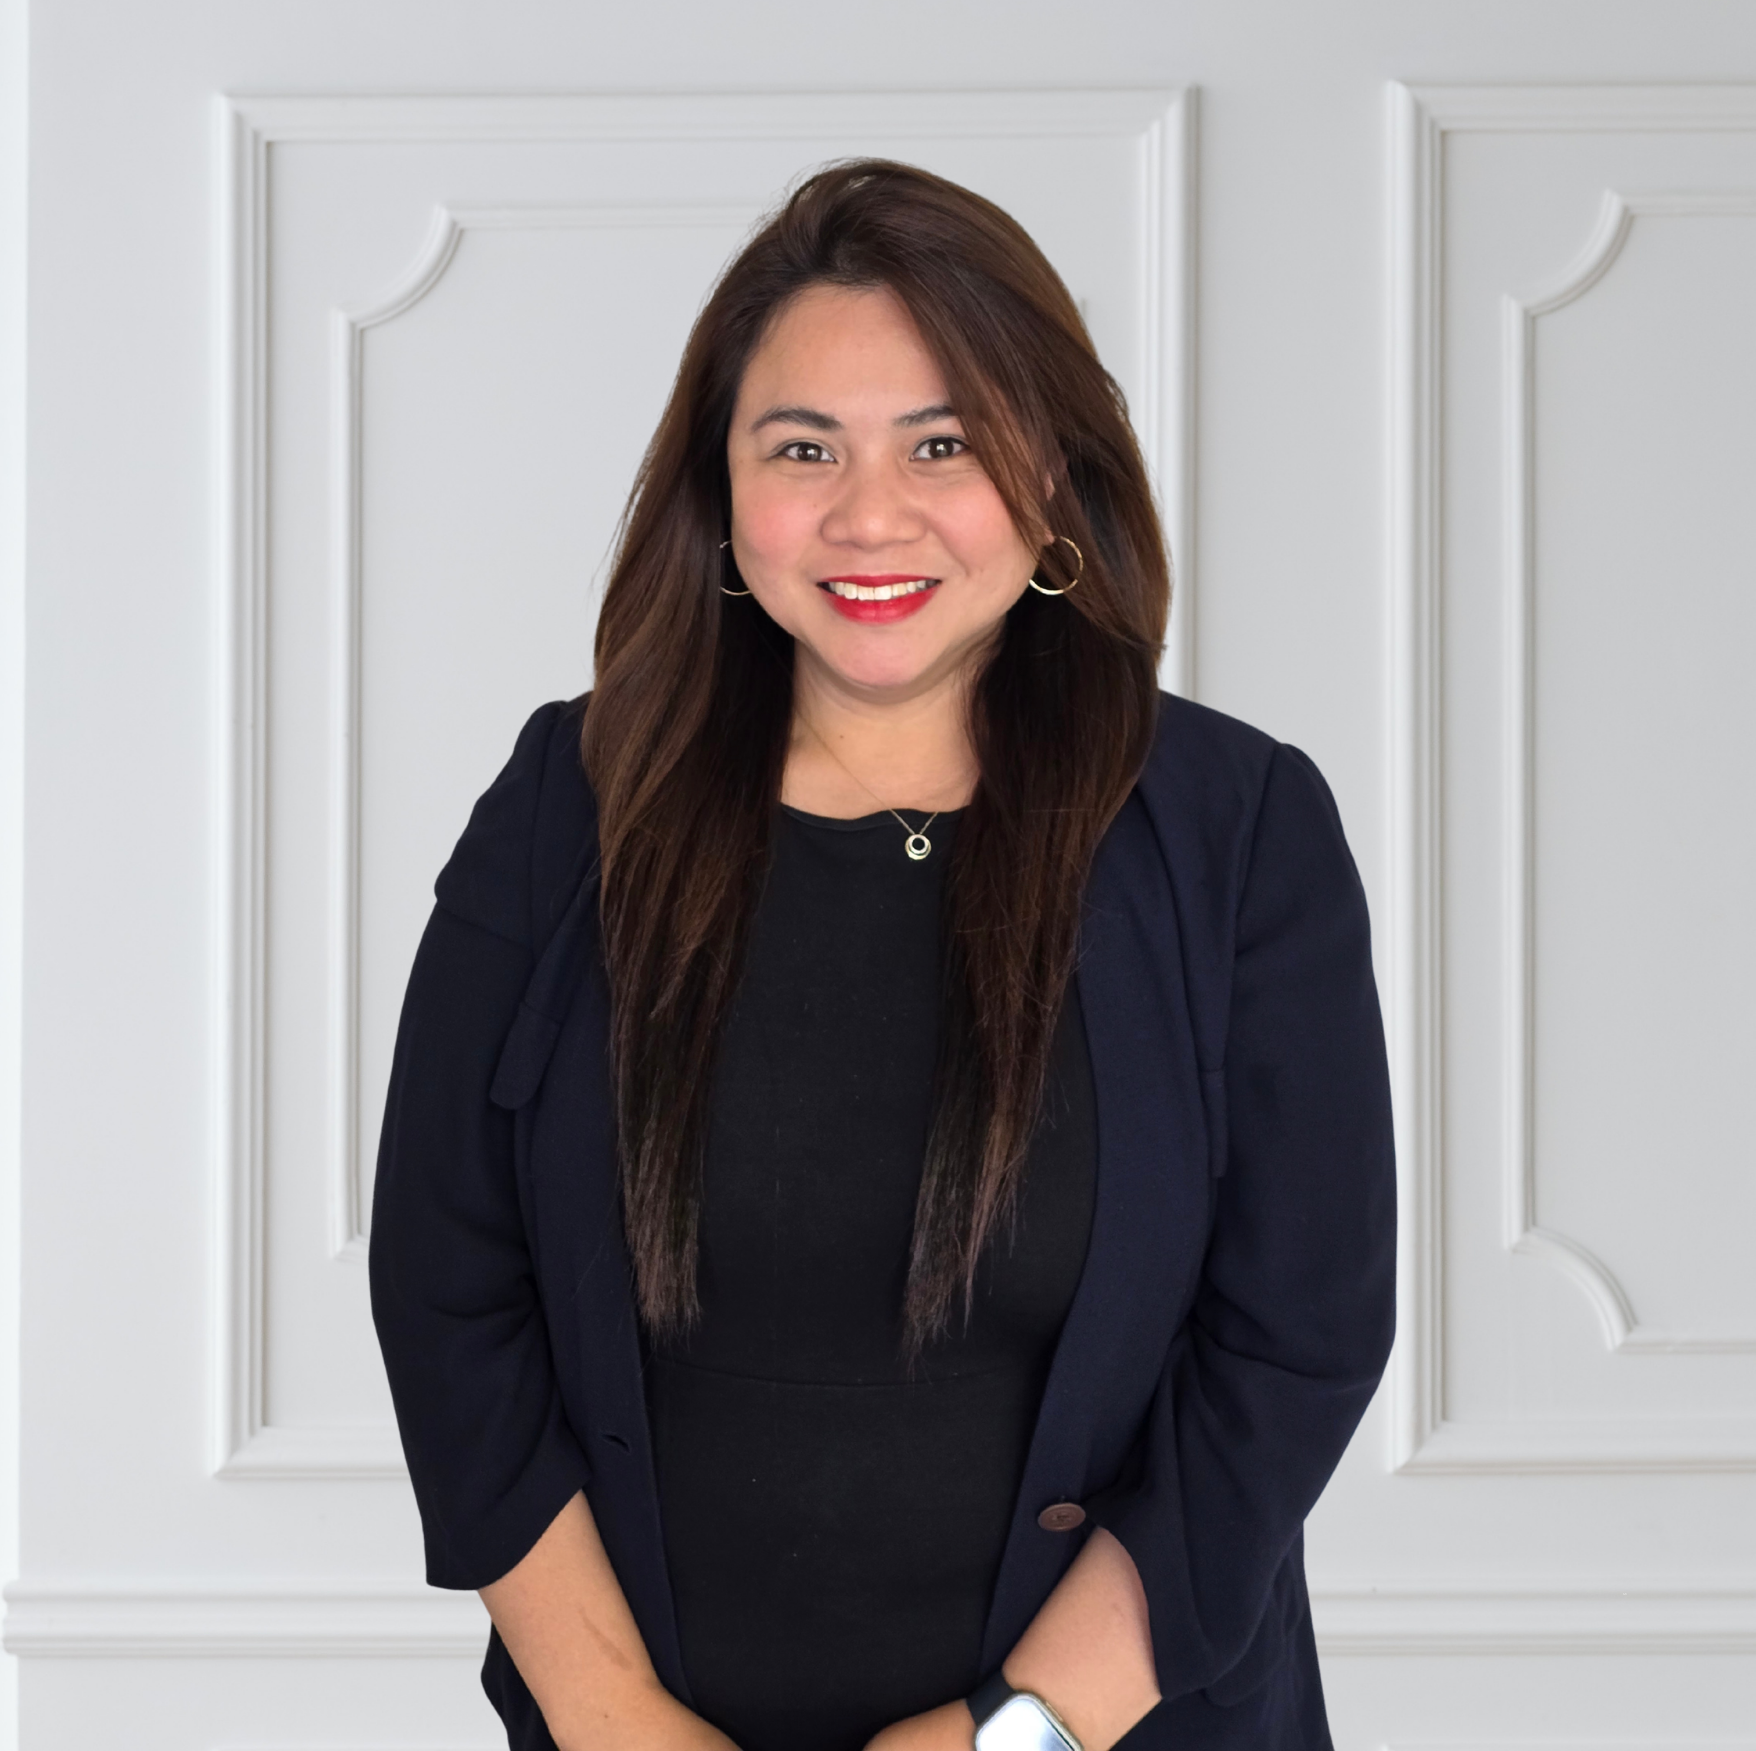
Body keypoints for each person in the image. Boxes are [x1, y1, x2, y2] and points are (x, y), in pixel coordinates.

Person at [369, 160, 1395, 1751]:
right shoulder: (565, 807)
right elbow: (447, 1284)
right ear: (723, 491)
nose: (870, 514)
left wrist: (1014, 1733)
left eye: (945, 443)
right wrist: (607, 1711)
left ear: (1051, 477)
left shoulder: (1236, 826)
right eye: (804, 448)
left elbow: (1300, 1333)